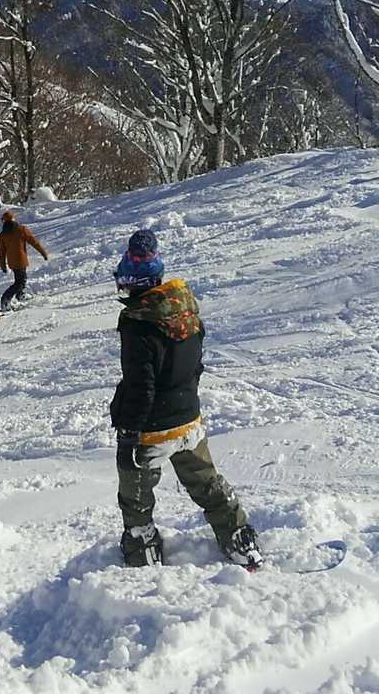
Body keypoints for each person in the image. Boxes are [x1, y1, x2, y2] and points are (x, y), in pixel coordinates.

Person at [108, 228, 261, 568]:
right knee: (206, 482)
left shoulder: (137, 323)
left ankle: (142, 549)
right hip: (188, 420)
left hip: (151, 430)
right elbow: (196, 367)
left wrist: (130, 432)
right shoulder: (187, 313)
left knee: (136, 496)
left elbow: (140, 385)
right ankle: (239, 537)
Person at [0, 209, 49, 310]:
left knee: (20, 279)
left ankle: (20, 295)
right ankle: (5, 299)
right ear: (13, 219)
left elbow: (1, 251)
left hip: (12, 262)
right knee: (20, 282)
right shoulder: (21, 229)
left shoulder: (2, 234)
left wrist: (2, 265)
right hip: (21, 259)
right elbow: (34, 242)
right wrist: (43, 252)